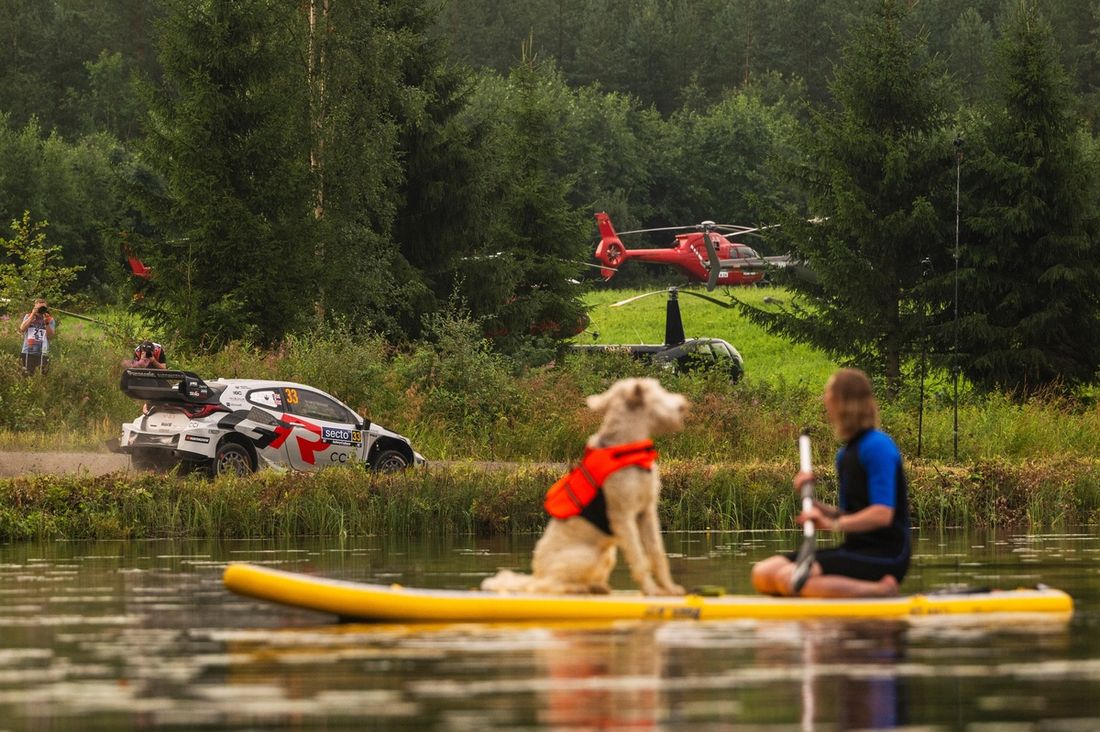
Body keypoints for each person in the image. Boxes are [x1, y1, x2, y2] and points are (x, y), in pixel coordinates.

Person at [751, 368, 910, 598]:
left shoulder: (878, 446)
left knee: (788, 578)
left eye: (828, 395)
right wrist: (811, 501)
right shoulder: (845, 455)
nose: (825, 402)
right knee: (763, 573)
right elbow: (846, 514)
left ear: (842, 403)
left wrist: (831, 524)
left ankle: (881, 590)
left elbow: (882, 514)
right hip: (854, 550)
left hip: (886, 555)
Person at [18, 298, 55, 375]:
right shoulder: (28, 316)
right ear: (35, 308)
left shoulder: (50, 319)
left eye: (43, 308)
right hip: (28, 351)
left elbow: (50, 336)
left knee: (42, 376)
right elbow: (22, 329)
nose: (41, 310)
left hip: (43, 352)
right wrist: (32, 315)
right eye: (39, 308)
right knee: (26, 375)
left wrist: (46, 323)